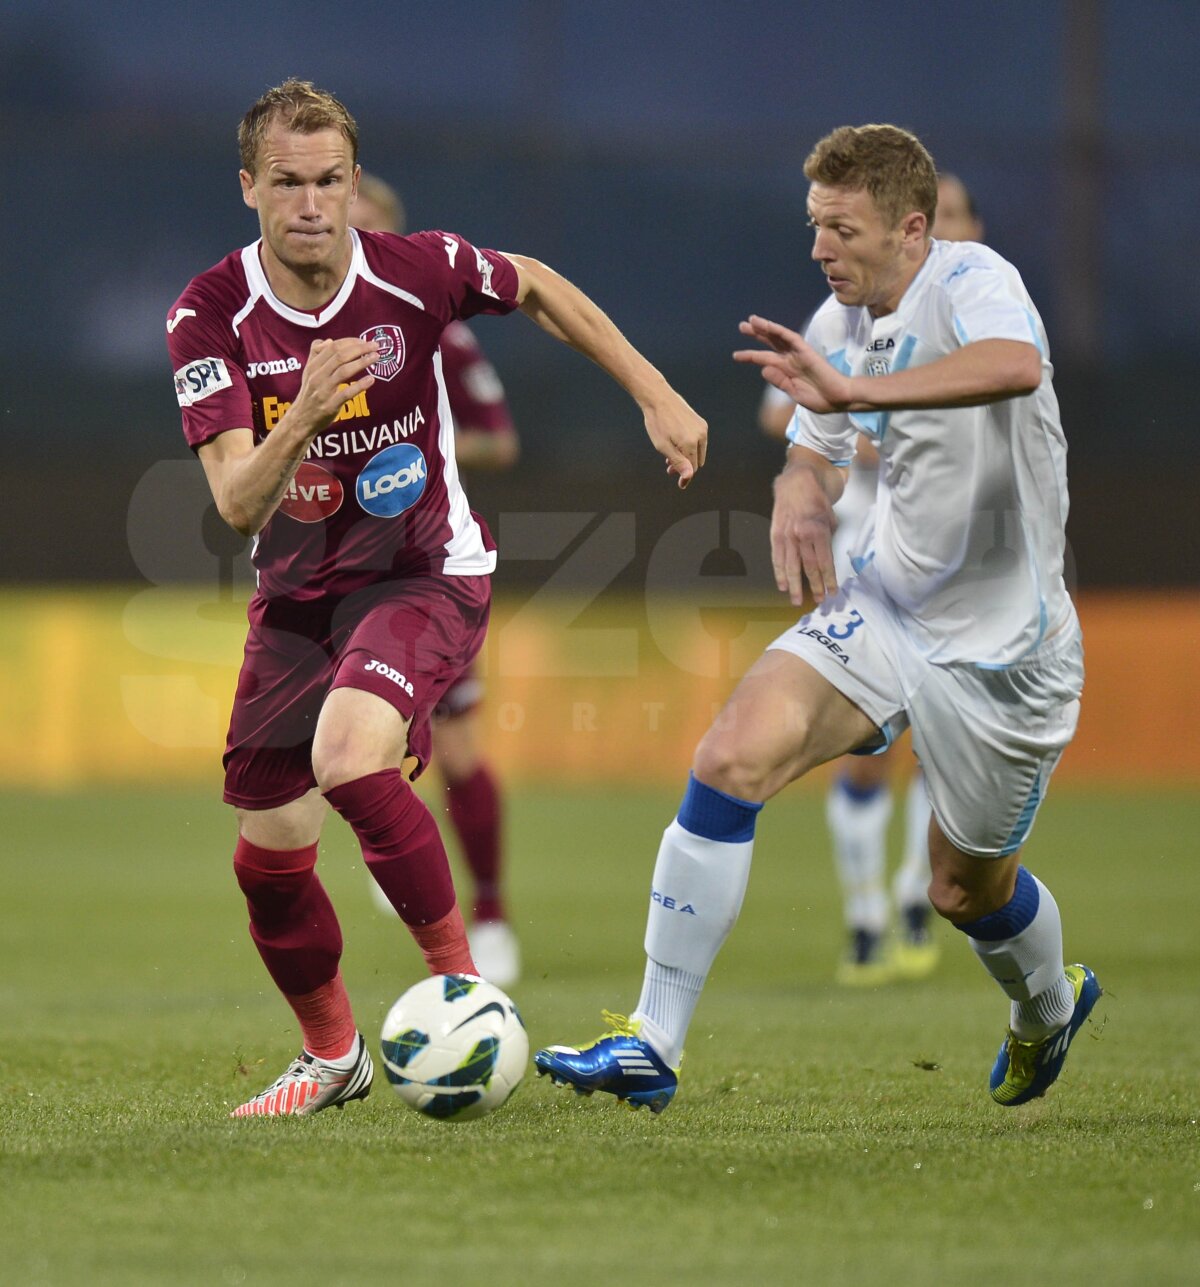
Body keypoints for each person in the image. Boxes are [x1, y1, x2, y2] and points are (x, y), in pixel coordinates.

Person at [166, 79, 706, 1118]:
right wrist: (306, 410)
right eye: (287, 182)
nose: (312, 204)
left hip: (425, 573)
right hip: (296, 602)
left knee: (348, 757)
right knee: (268, 861)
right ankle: (333, 1057)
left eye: (329, 181)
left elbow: (536, 283)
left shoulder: (415, 272)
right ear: (248, 188)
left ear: (354, 183)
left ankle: (468, 997)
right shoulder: (209, 313)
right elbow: (236, 503)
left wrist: (656, 392)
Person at [537, 124, 1099, 1115]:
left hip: (1010, 656)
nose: (819, 248)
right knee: (729, 757)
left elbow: (1015, 364)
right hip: (889, 606)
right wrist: (799, 488)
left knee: (963, 890)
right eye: (814, 225)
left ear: (911, 229)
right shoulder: (839, 320)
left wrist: (856, 392)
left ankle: (1048, 1005)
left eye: (841, 228)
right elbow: (816, 446)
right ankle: (652, 1041)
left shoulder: (974, 281)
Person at [758, 172, 987, 985]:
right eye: (935, 216)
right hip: (867, 550)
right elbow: (784, 412)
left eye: (956, 216)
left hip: (965, 558)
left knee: (944, 747)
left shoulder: (988, 314)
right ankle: (864, 916)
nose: (944, 230)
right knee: (865, 746)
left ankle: (914, 896)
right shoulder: (853, 313)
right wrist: (863, 433)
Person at [350, 171, 521, 988]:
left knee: (457, 746)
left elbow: (499, 440)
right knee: (339, 744)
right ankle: (398, 853)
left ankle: (490, 915)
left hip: (426, 568)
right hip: (333, 572)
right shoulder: (289, 330)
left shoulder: (434, 328)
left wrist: (422, 449)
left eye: (365, 223)